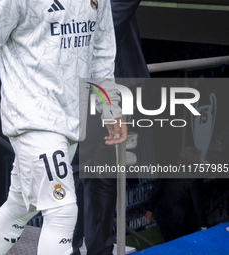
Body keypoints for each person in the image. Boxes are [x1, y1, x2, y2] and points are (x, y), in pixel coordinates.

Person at [0, 0, 127, 254]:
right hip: (31, 115)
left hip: (69, 120)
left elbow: (102, 50)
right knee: (62, 210)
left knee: (22, 206)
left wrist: (111, 109)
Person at [72, 0, 149, 254]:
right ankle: (68, 243)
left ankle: (98, 250)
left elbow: (109, 21)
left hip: (106, 84)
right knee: (73, 171)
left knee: (98, 174)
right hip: (71, 85)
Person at [144, 146, 208, 242]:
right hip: (183, 222)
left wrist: (150, 210)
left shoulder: (168, 170)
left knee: (169, 245)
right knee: (184, 247)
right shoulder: (194, 179)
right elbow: (198, 204)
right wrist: (203, 225)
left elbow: (156, 191)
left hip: (164, 218)